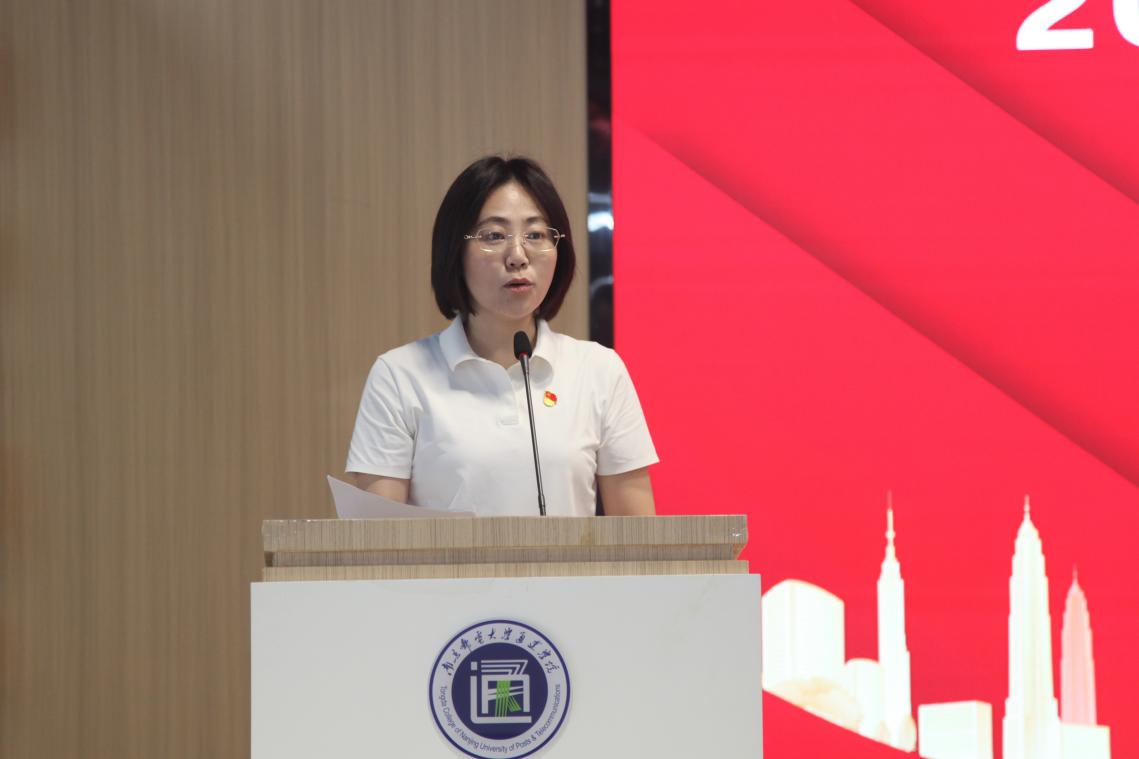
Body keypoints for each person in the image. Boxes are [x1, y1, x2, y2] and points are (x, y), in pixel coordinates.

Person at [345, 155, 657, 516]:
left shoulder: (599, 370)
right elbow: (377, 536)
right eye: (494, 236)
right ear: (454, 251)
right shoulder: (400, 376)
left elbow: (638, 535)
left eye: (536, 235)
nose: (518, 256)